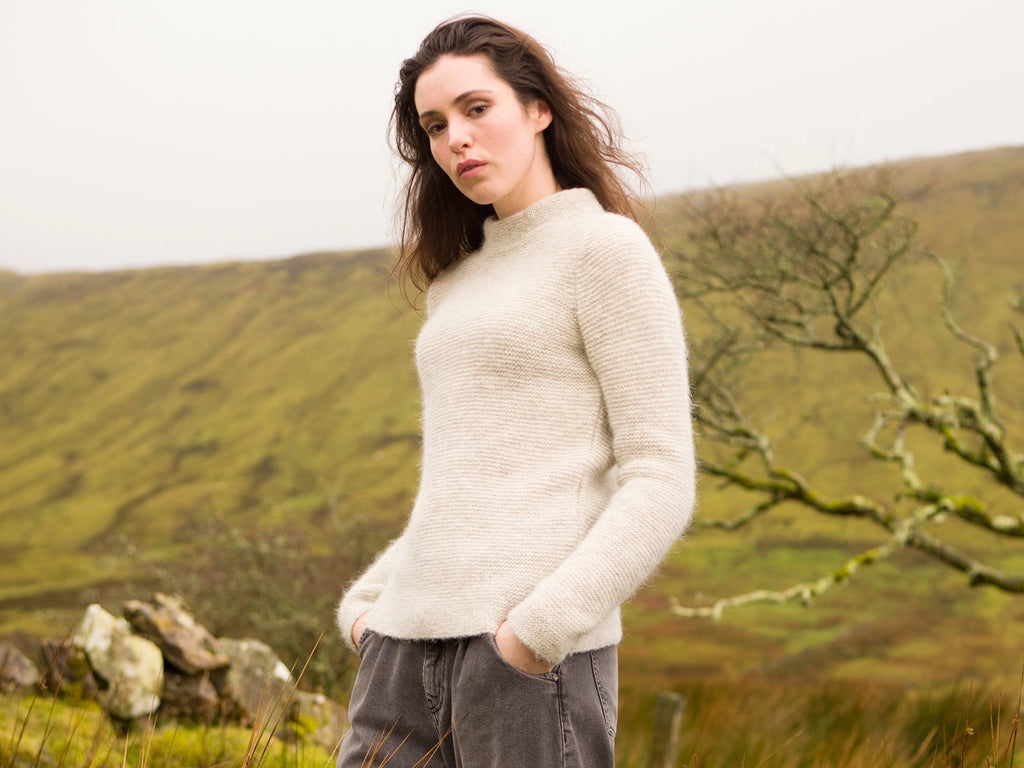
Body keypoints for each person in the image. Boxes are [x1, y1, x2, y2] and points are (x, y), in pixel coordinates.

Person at [335, 14, 696, 768]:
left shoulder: (605, 251)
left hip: (525, 664)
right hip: (400, 650)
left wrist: (534, 635)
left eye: (477, 108)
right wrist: (368, 607)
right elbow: (462, 488)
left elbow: (661, 477)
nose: (456, 140)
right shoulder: (455, 281)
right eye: (435, 126)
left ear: (538, 109)